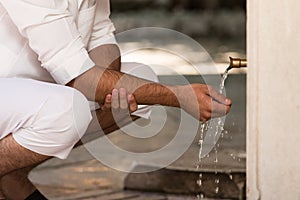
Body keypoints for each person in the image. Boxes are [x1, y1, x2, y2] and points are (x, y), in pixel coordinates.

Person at [0, 0, 231, 199]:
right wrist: (178, 96)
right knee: (69, 109)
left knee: (142, 78)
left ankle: (11, 174)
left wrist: (107, 95)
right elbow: (79, 79)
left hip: (30, 92)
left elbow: (101, 42)